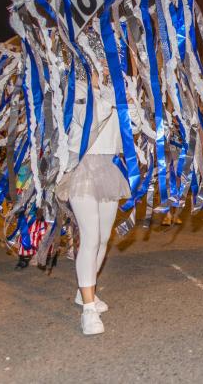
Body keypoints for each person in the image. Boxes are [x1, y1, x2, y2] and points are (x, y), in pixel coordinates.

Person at [55, 79, 131, 336]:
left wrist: (131, 104)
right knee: (90, 237)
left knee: (104, 238)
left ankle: (84, 291)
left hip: (110, 166)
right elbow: (87, 122)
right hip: (83, 166)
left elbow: (131, 127)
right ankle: (88, 309)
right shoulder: (77, 86)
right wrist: (111, 97)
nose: (105, 64)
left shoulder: (118, 86)